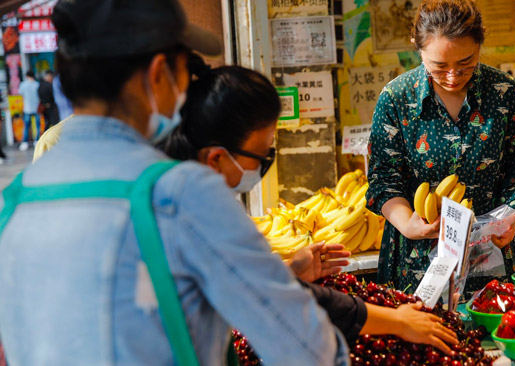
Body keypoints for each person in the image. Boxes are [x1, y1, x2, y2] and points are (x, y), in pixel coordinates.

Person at [0, 1, 348, 365]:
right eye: (184, 70)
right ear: (157, 74)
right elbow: (307, 349)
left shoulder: (17, 200)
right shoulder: (180, 194)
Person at [161, 61, 459, 353]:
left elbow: (247, 284)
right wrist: (396, 320)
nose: (264, 165)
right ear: (216, 158)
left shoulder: (178, 191)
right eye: (262, 155)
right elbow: (284, 298)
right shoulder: (193, 215)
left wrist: (290, 271)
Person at [366, 0, 515, 295]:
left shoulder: (505, 93)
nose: (452, 77)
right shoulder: (396, 99)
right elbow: (383, 180)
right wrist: (408, 224)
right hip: (416, 263)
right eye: (439, 66)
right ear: (418, 48)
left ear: (479, 47)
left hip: (489, 261)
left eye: (465, 64)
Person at [17, 70, 40, 150]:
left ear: (26, 76)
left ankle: (25, 142)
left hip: (27, 108)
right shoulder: (37, 84)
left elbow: (20, 93)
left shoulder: (23, 85)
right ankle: (37, 141)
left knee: (26, 126)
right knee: (37, 126)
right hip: (37, 108)